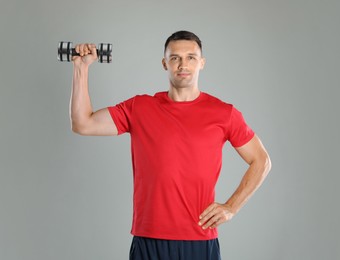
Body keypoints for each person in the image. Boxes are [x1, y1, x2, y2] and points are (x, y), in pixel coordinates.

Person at [70, 30, 271, 260]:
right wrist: (81, 68)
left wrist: (232, 207)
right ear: (165, 63)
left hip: (199, 239)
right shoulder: (140, 108)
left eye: (191, 57)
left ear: (201, 63)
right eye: (175, 57)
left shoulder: (224, 113)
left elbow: (261, 161)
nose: (182, 64)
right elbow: (82, 123)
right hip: (148, 240)